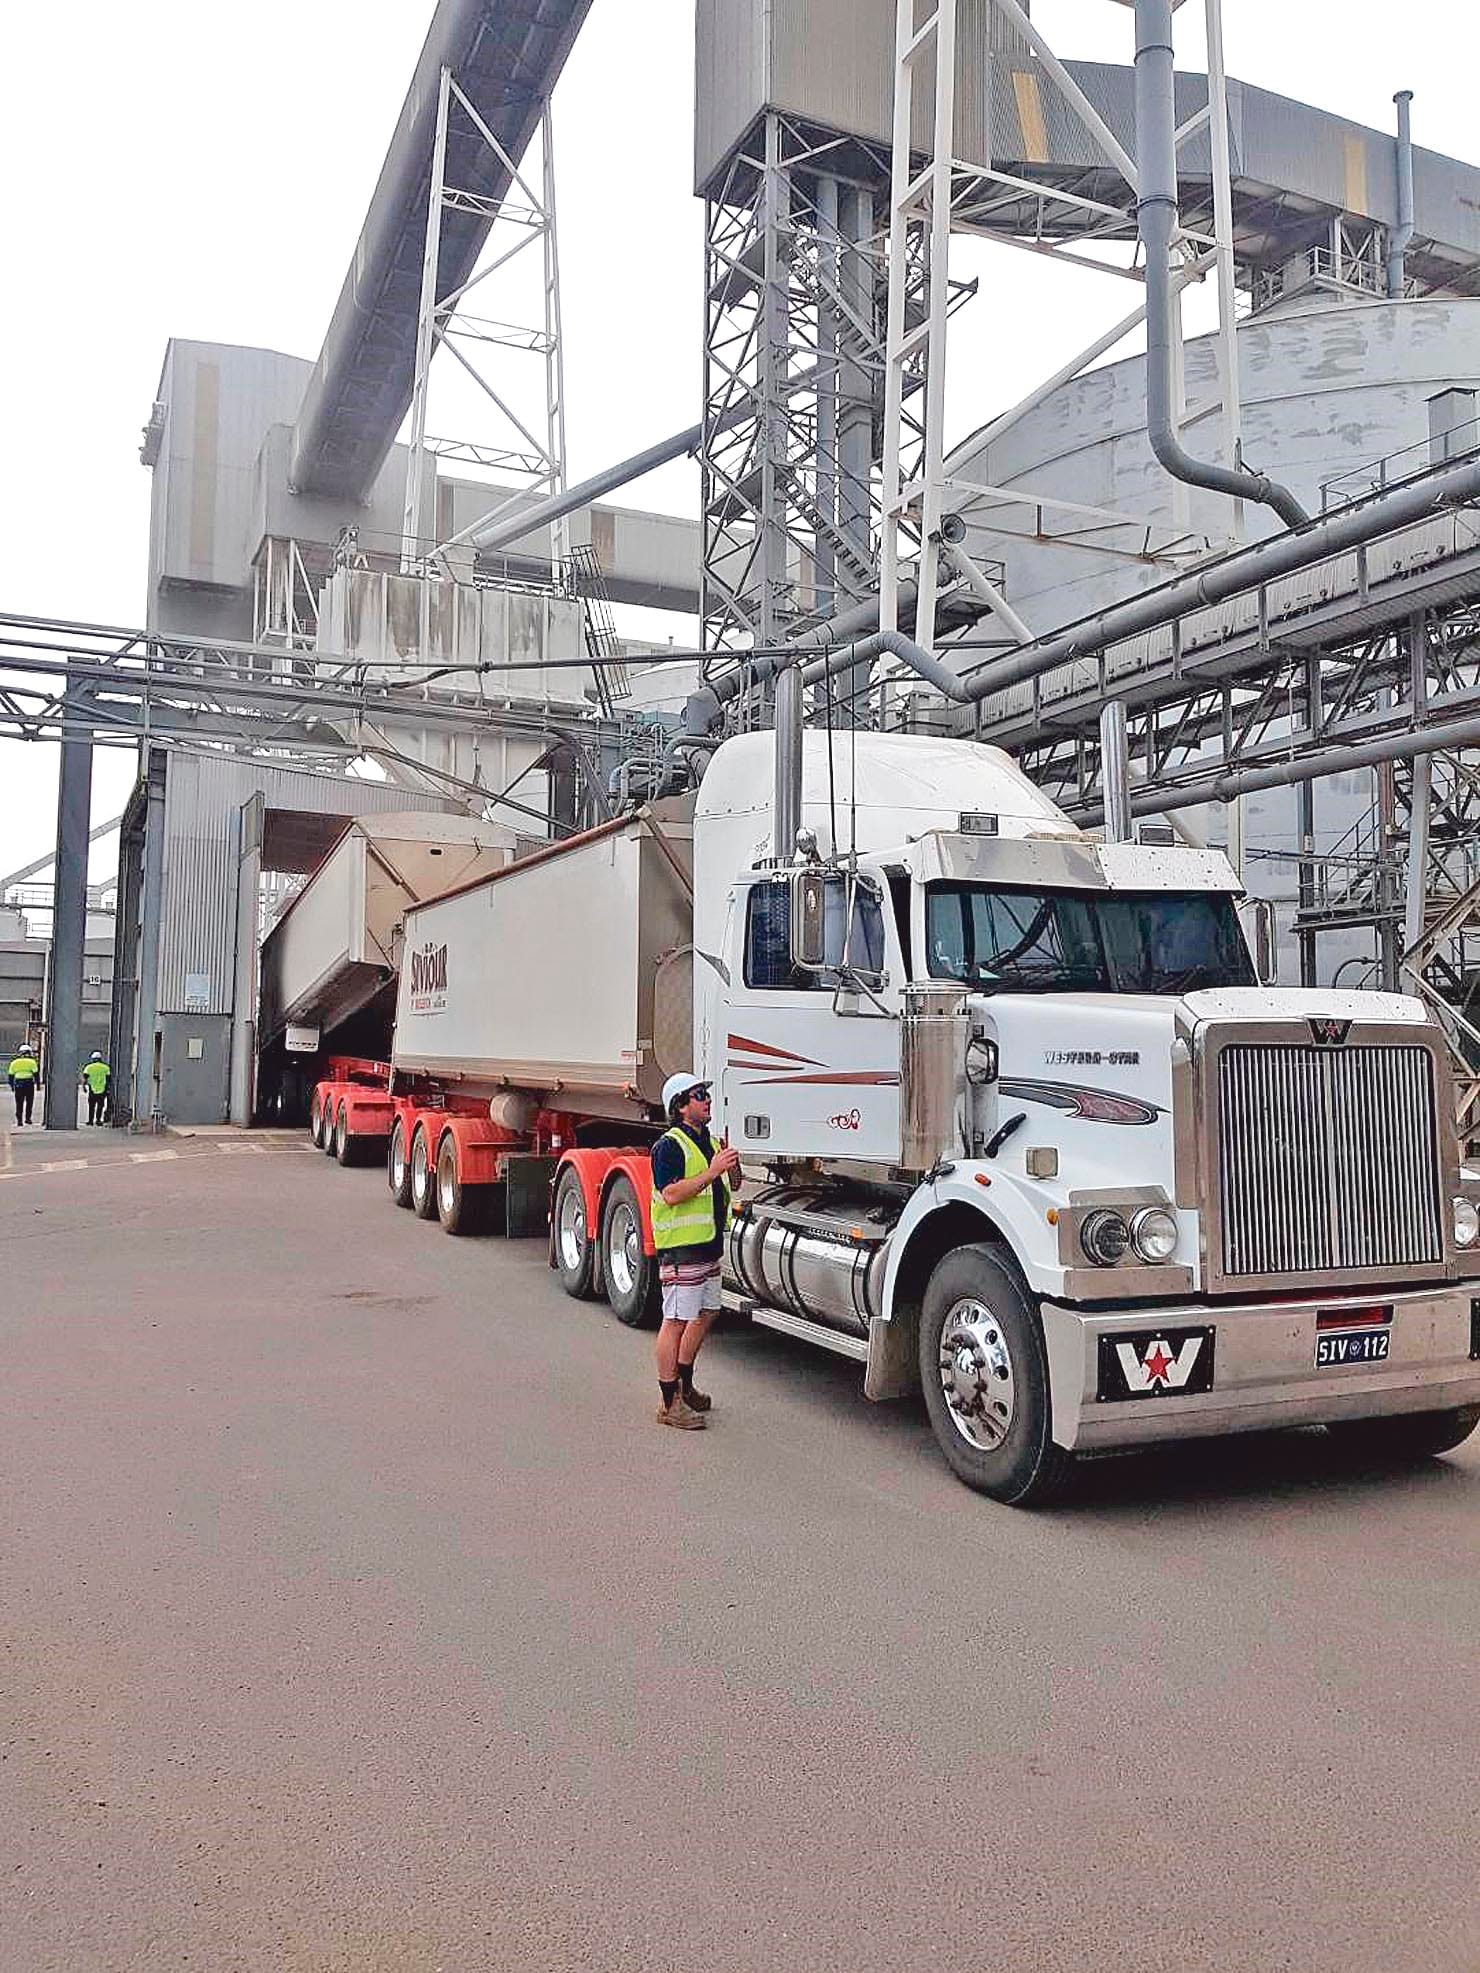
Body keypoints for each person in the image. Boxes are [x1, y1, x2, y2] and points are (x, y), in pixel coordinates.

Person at [649, 1072, 740, 1430]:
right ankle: (668, 1403)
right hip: (681, 1248)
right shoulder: (668, 1146)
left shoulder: (711, 1142)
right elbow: (671, 1194)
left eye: (706, 1094)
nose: (707, 1100)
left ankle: (685, 1385)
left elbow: (732, 1184)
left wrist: (731, 1166)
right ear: (681, 1106)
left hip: (708, 1245)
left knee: (707, 1312)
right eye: (699, 1095)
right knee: (675, 1321)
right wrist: (713, 1170)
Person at [7, 1046, 39, 1127]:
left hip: (18, 1084)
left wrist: (12, 1086)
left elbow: (10, 1076)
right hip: (29, 1083)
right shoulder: (32, 1062)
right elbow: (36, 1074)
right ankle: (28, 1119)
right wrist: (38, 1085)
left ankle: (19, 1121)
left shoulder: (14, 1062)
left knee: (19, 1103)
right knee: (29, 1102)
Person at [80, 1051, 111, 1126]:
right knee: (100, 1106)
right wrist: (108, 1089)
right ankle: (98, 1120)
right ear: (100, 1059)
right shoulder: (106, 1067)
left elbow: (84, 1078)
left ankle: (90, 1121)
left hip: (92, 1089)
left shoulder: (88, 1067)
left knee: (91, 1106)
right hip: (102, 1089)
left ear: (93, 1059)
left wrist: (83, 1087)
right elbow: (108, 1079)